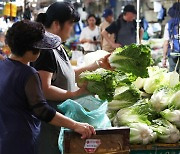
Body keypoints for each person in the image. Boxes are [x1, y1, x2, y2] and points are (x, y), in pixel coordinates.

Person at [0, 20, 95, 154]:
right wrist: (76, 125)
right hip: (22, 142)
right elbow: (42, 111)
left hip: (5, 139)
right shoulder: (28, 74)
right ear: (29, 49)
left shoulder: (3, 66)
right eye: (38, 47)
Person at [32, 2, 111, 154]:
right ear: (56, 24)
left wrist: (98, 64)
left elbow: (68, 73)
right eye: (70, 24)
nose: (73, 29)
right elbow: (44, 89)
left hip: (60, 122)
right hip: (49, 125)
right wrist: (74, 94)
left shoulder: (57, 46)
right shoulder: (46, 50)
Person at [162, 2, 180, 72]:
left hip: (173, 53)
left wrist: (164, 58)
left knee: (173, 77)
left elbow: (166, 42)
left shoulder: (169, 24)